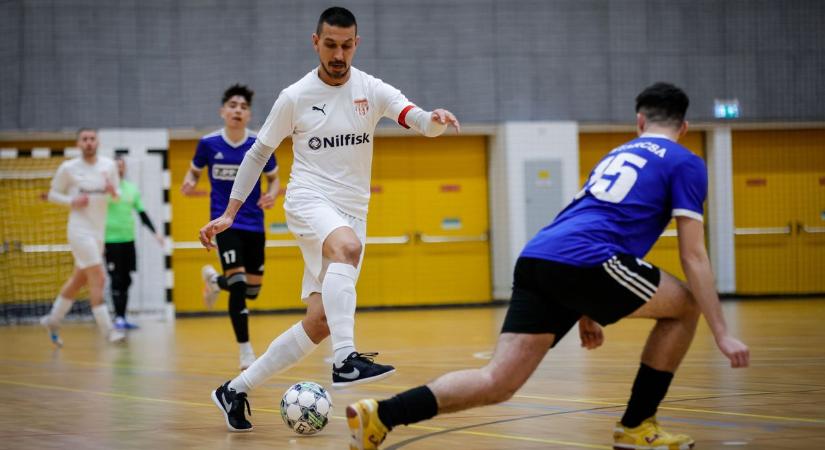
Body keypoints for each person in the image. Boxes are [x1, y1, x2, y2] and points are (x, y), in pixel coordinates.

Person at [346, 82, 751, 450]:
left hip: (540, 256)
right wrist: (723, 333)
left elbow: (588, 219)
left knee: (497, 381)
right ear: (684, 127)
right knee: (685, 305)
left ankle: (382, 414)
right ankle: (636, 425)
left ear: (640, 121)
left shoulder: (617, 154)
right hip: (587, 260)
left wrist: (587, 306)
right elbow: (693, 254)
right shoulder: (686, 161)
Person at [199, 6, 460, 432]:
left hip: (353, 211)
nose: (338, 54)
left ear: (356, 44)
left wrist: (434, 121)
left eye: (346, 45)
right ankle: (345, 361)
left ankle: (235, 389)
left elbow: (414, 118)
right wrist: (230, 212)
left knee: (319, 322)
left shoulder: (370, 89)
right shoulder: (295, 96)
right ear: (315, 42)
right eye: (330, 45)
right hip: (308, 199)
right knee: (348, 248)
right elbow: (258, 153)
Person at [181, 84, 279, 370]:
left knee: (251, 291)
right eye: (233, 105)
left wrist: (273, 192)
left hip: (255, 224)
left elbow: (274, 177)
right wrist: (189, 180)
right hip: (224, 221)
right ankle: (246, 351)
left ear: (248, 115)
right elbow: (194, 169)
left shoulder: (259, 144)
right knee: (237, 286)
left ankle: (213, 282)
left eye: (243, 107)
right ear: (223, 111)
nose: (238, 110)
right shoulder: (208, 144)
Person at [41, 128, 126, 345]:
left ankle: (53, 318)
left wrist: (112, 192)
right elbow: (52, 193)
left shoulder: (108, 166)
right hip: (79, 231)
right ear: (78, 143)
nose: (88, 142)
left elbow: (117, 197)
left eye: (92, 139)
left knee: (79, 279)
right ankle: (108, 330)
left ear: (97, 142)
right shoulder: (68, 168)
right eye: (84, 139)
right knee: (99, 276)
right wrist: (72, 201)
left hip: (98, 232)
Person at [104, 155, 165, 330]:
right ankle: (118, 318)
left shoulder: (131, 189)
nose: (119, 169)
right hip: (110, 241)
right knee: (115, 279)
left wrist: (155, 233)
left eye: (121, 166)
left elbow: (141, 213)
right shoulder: (104, 190)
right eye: (115, 166)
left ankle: (122, 316)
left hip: (128, 240)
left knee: (126, 279)